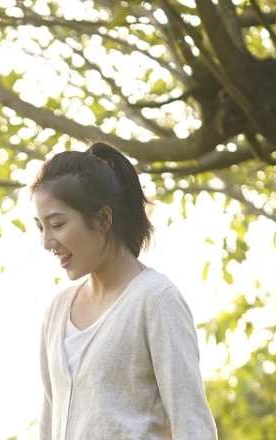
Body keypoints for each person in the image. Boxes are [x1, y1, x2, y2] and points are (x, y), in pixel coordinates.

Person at [33, 142, 216, 439]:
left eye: (57, 224)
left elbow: (192, 425)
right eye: (41, 227)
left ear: (103, 218)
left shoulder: (155, 300)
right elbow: (49, 423)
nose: (47, 242)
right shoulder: (57, 310)